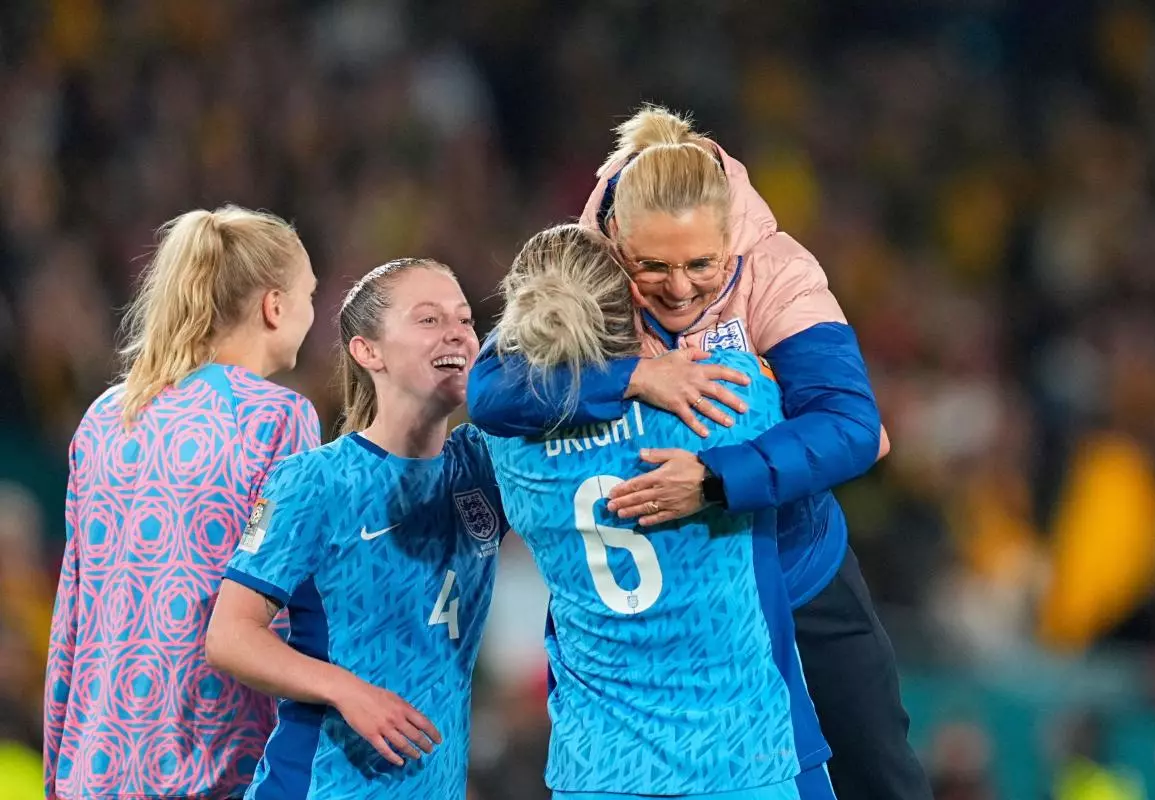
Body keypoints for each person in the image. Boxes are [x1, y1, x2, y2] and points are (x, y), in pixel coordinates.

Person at [468, 106, 931, 800]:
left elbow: (852, 426)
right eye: (651, 266)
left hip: (796, 566)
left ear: (733, 240)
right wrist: (633, 376)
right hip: (664, 603)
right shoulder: (581, 265)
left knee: (880, 775)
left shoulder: (778, 269)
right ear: (616, 235)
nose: (679, 288)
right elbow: (493, 392)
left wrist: (716, 480)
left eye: (701, 265)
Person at [483, 223, 835, 800]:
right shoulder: (726, 393)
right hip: (742, 755)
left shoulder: (508, 446)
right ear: (633, 303)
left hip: (598, 767)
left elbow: (504, 386)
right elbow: (843, 435)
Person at [44, 206, 321, 800]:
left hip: (91, 770)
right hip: (212, 769)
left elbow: (71, 613)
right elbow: (287, 608)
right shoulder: (278, 418)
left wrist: (57, 774)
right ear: (275, 306)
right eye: (308, 295)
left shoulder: (104, 417)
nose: (311, 313)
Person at [205, 258, 506, 800]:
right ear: (369, 351)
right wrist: (348, 692)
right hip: (320, 783)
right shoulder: (315, 482)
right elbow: (230, 636)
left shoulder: (484, 468)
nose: (458, 333)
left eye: (465, 319)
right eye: (429, 320)